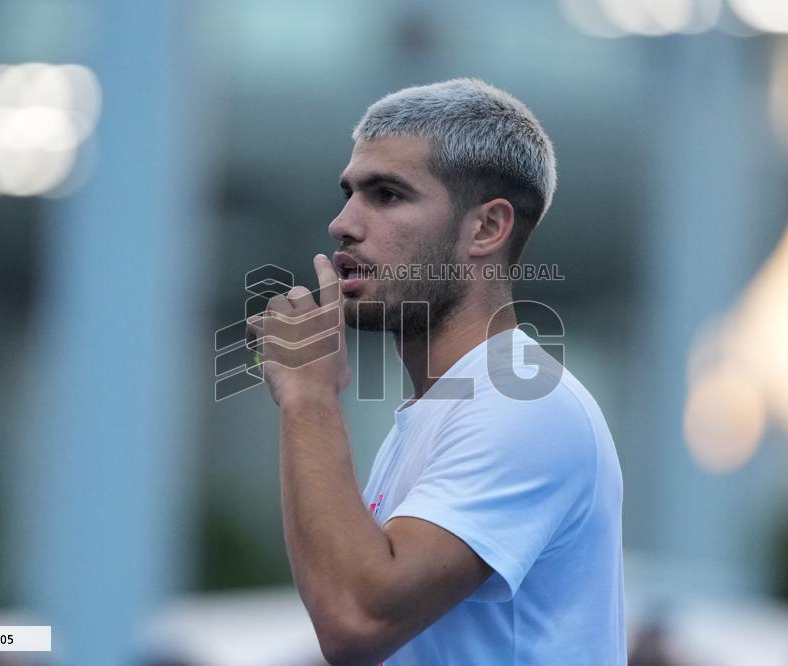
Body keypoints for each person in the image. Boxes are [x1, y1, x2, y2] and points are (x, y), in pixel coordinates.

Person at [247, 78, 625, 665]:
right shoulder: (448, 409)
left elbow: (356, 619)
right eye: (349, 193)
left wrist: (309, 396)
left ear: (486, 229)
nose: (343, 223)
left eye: (388, 194)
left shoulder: (524, 403)